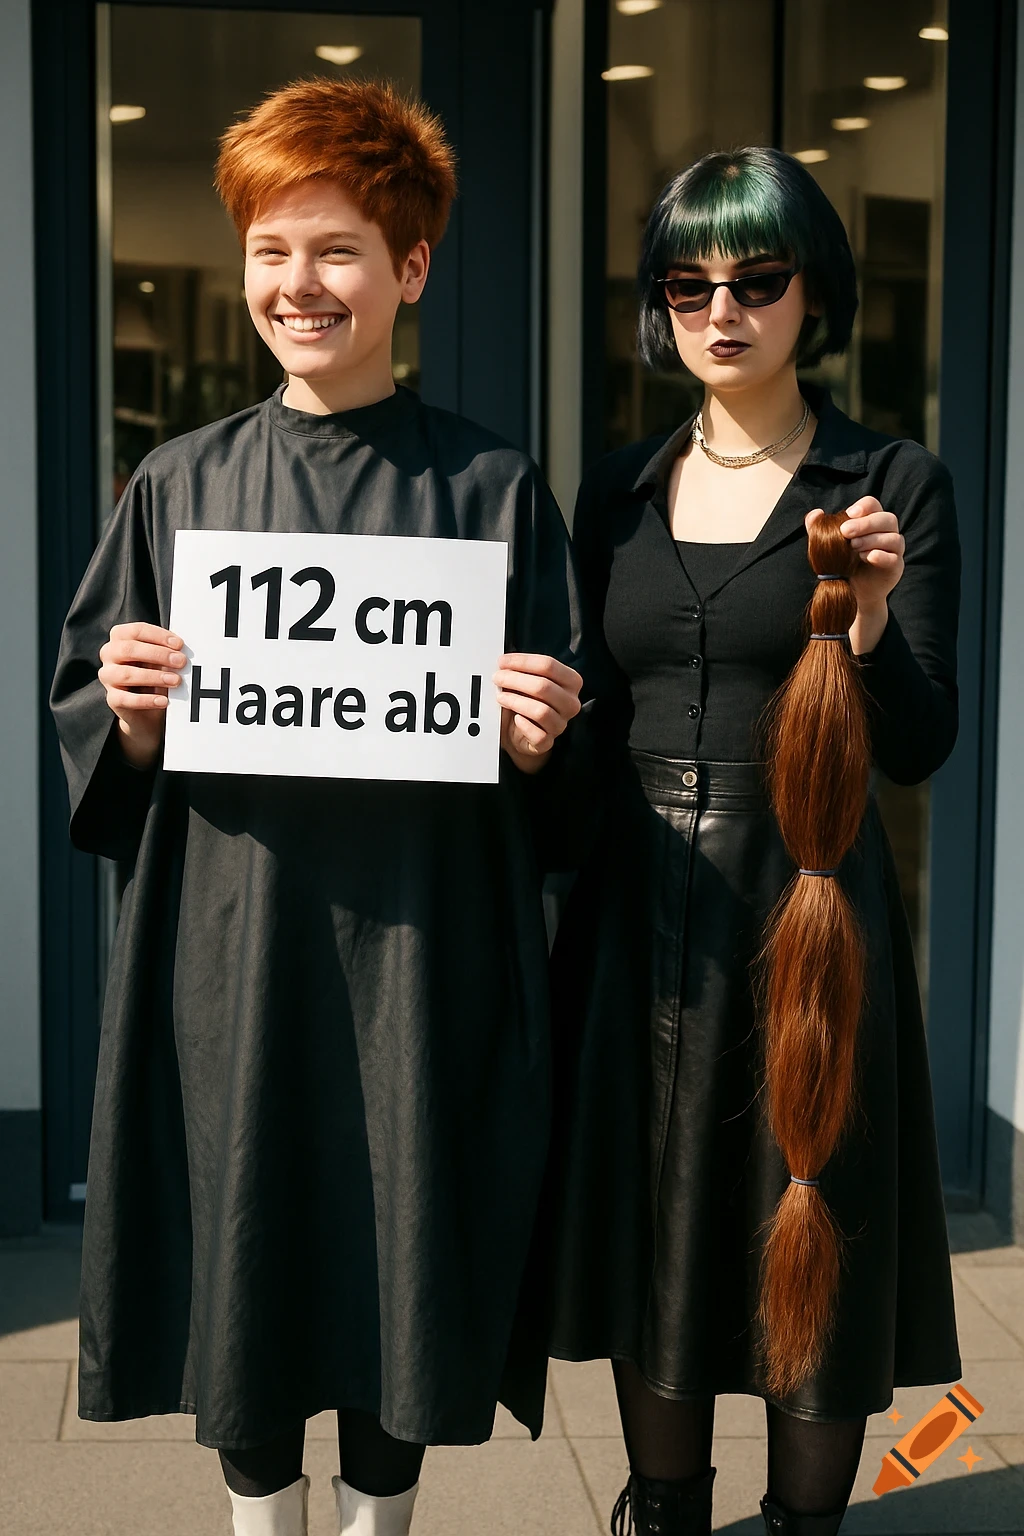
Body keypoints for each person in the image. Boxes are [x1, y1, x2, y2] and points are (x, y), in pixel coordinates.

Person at [50, 77, 584, 1536]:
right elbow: (92, 738)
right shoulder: (177, 485)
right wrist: (132, 710)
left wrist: (543, 736)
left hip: (421, 960)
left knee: (400, 1261)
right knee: (249, 1252)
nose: (301, 284)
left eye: (339, 249)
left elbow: (560, 770)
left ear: (409, 271)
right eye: (272, 249)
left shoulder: (490, 490)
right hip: (235, 956)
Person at [541, 147, 961, 1536]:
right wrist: (530, 743)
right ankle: (659, 1511)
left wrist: (880, 624)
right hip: (642, 922)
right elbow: (587, 755)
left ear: (812, 295)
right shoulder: (613, 490)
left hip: (811, 903)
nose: (722, 309)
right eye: (689, 281)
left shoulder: (889, 482)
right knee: (661, 1228)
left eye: (758, 279)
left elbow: (919, 741)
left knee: (810, 1220)